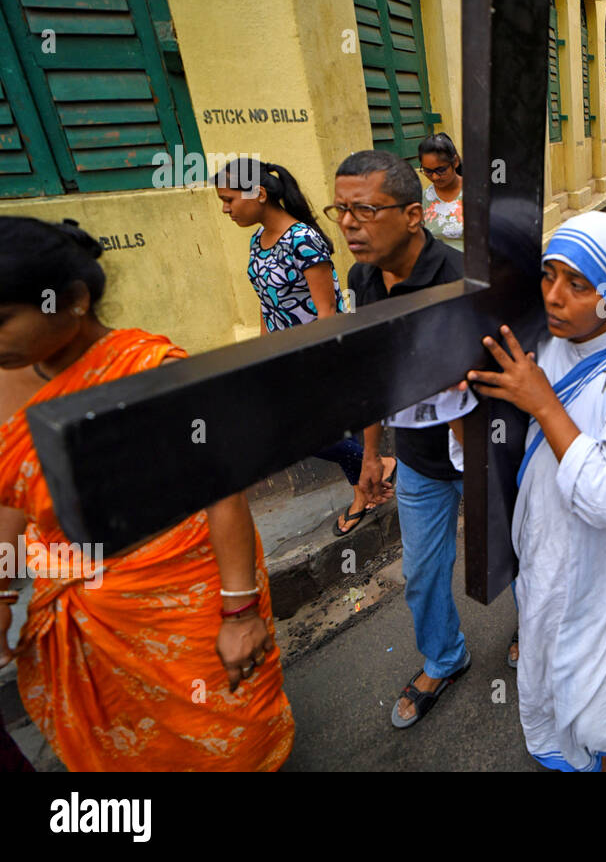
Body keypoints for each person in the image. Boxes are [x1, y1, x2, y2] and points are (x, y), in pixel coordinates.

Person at [0, 217, 295, 770]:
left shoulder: (149, 369)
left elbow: (222, 490)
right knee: (123, 740)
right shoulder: (4, 374)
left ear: (74, 300)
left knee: (225, 726)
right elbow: (10, 499)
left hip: (185, 590)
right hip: (81, 610)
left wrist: (239, 615)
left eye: (1, 320)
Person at [464, 211, 606, 772]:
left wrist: (542, 402)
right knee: (552, 652)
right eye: (549, 275)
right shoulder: (542, 346)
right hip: (547, 544)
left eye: (579, 284)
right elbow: (492, 452)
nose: (554, 297)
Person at [331, 150, 476, 728]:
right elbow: (371, 375)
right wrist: (371, 454)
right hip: (417, 460)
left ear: (414, 215)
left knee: (516, 559)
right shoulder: (362, 279)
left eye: (364, 210)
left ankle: (532, 634)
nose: (348, 223)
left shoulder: (464, 278)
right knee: (421, 571)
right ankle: (445, 657)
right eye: (340, 209)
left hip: (484, 452)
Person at [212, 157, 394, 537]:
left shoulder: (303, 240)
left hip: (317, 357)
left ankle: (366, 481)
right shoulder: (257, 241)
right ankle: (373, 469)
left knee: (303, 435)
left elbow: (327, 311)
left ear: (259, 194)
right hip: (284, 358)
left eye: (229, 200)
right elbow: (266, 304)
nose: (226, 209)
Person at [419, 133, 465, 253]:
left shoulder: (477, 192)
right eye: (428, 171)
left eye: (440, 170)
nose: (434, 177)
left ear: (455, 162)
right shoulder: (423, 200)